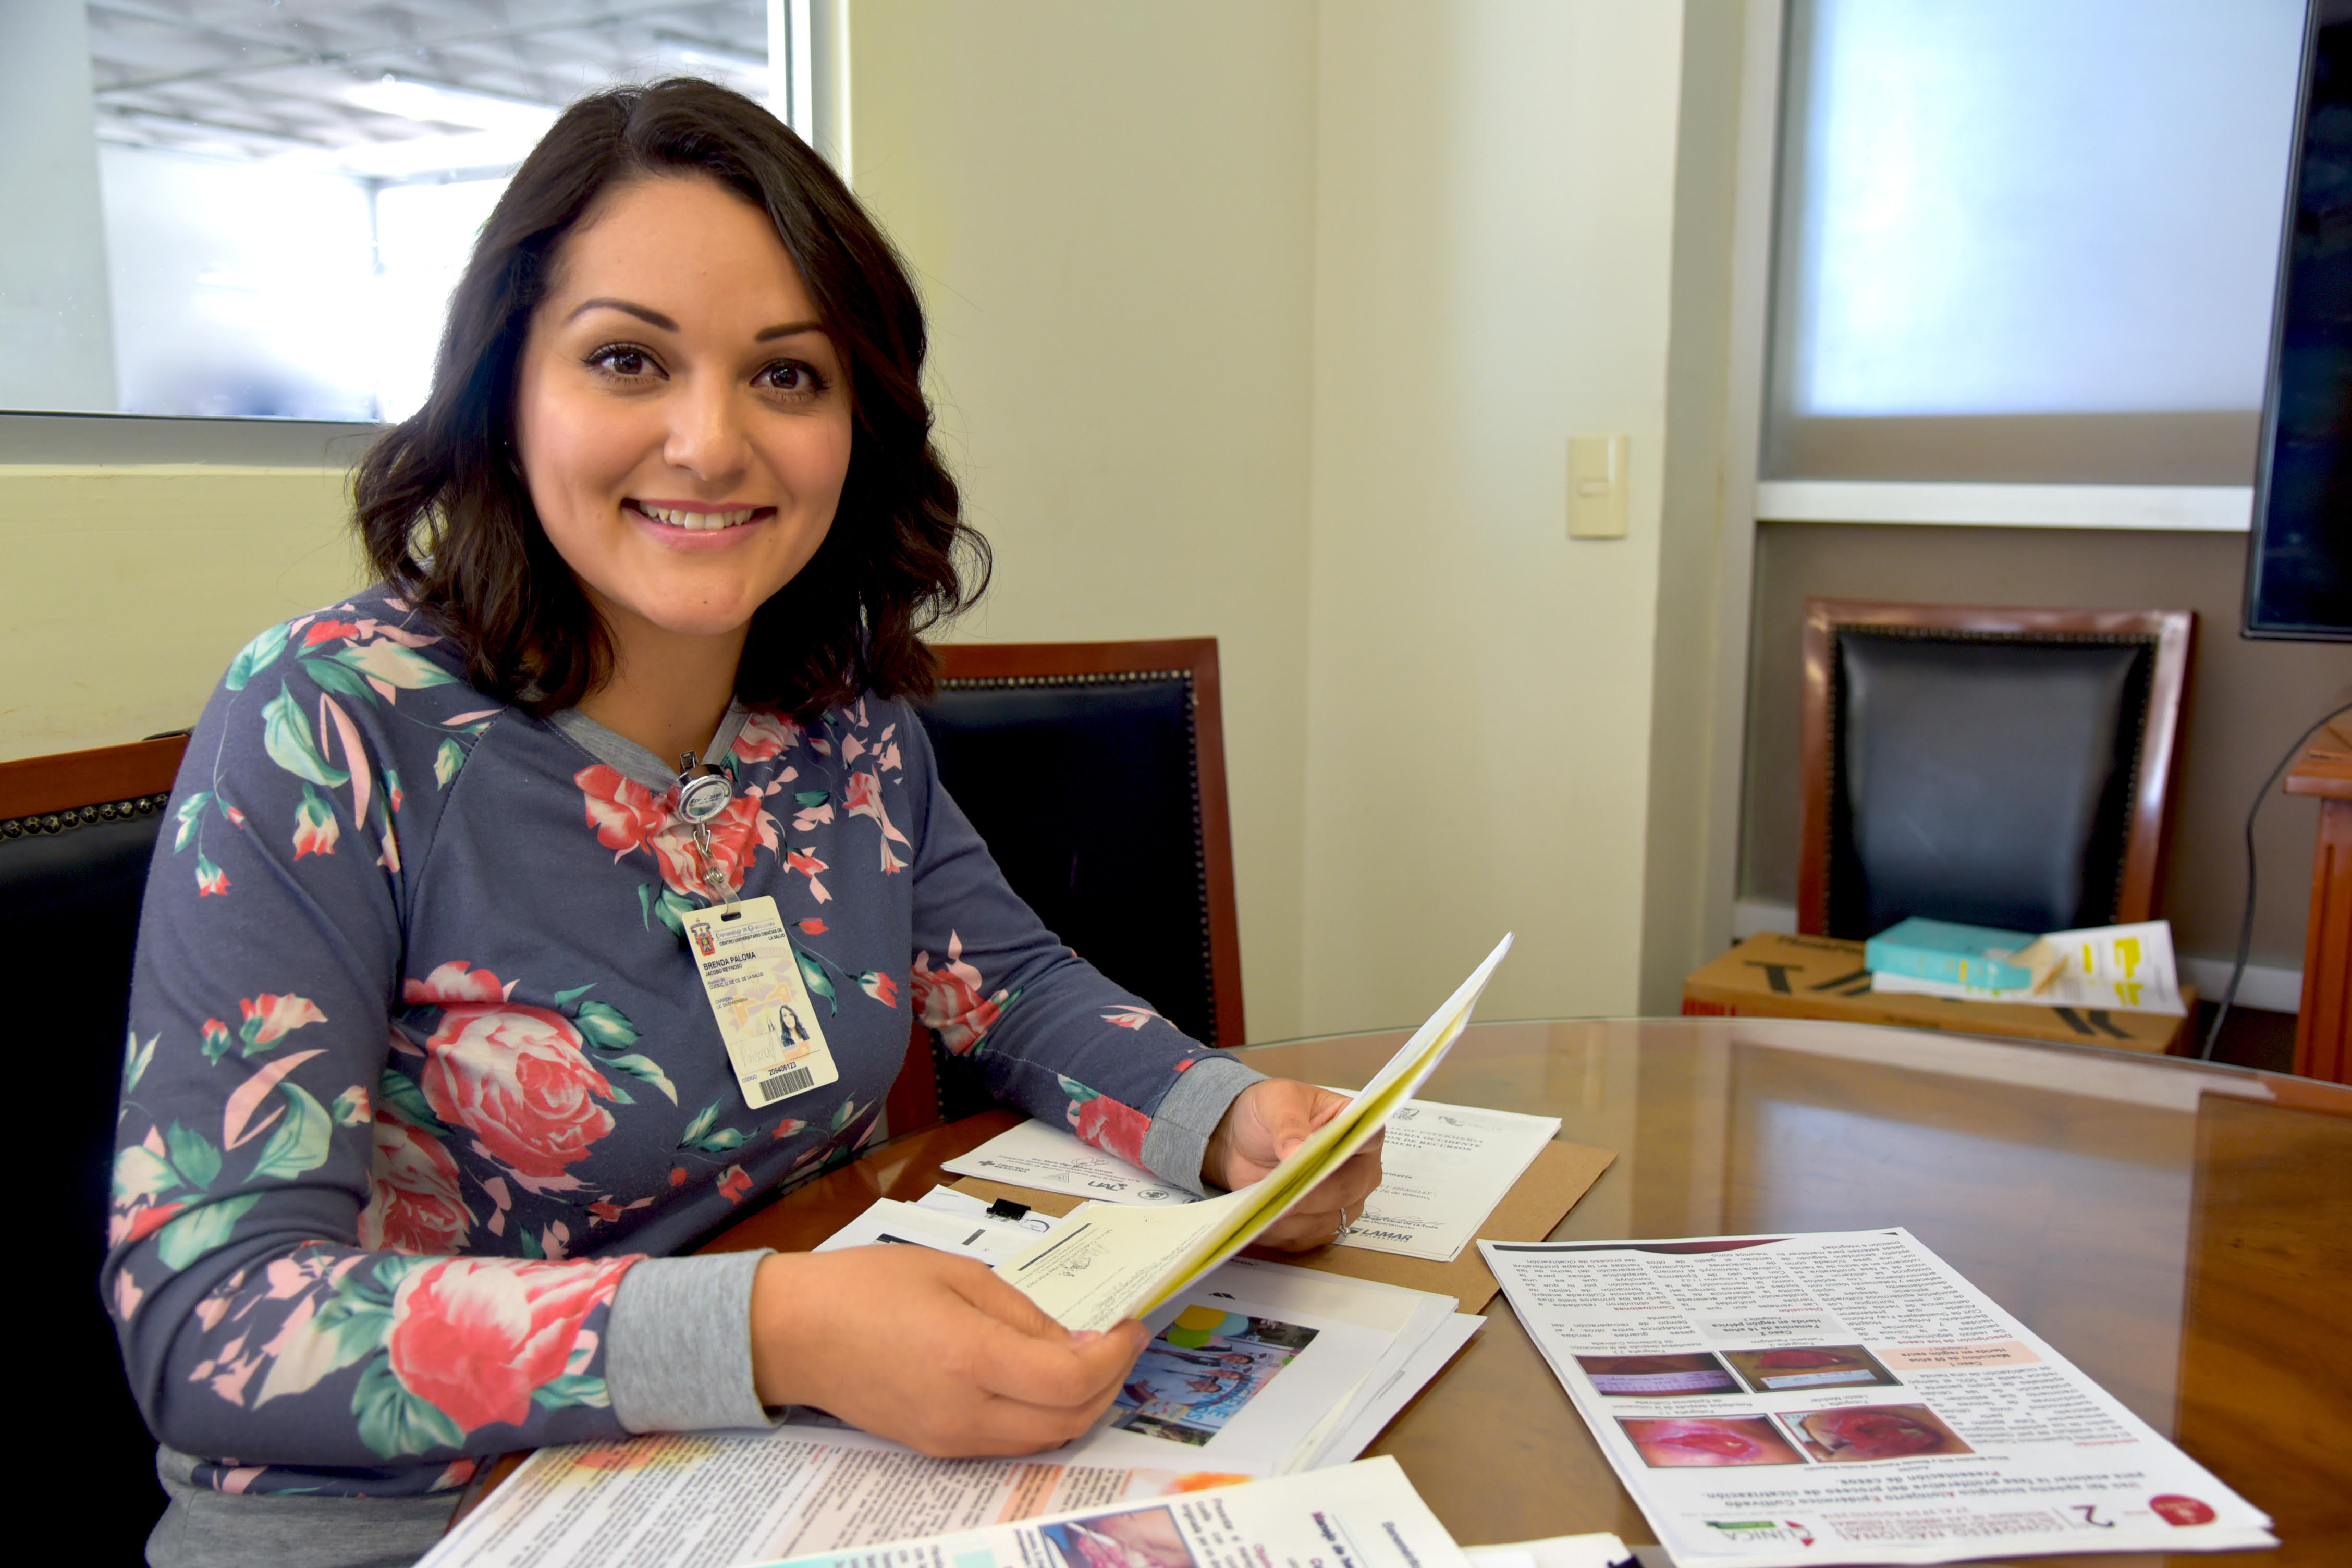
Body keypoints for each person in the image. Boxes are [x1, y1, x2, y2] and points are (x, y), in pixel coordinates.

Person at [104, 78, 1381, 1568]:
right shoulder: (327, 720)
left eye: (786, 376)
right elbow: (216, 1322)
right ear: (504, 391)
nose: (711, 444)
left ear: (859, 421)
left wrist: (1225, 1118)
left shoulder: (840, 729)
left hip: (760, 1482)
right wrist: (777, 1333)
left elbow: (1013, 992)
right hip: (405, 1525)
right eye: (629, 359)